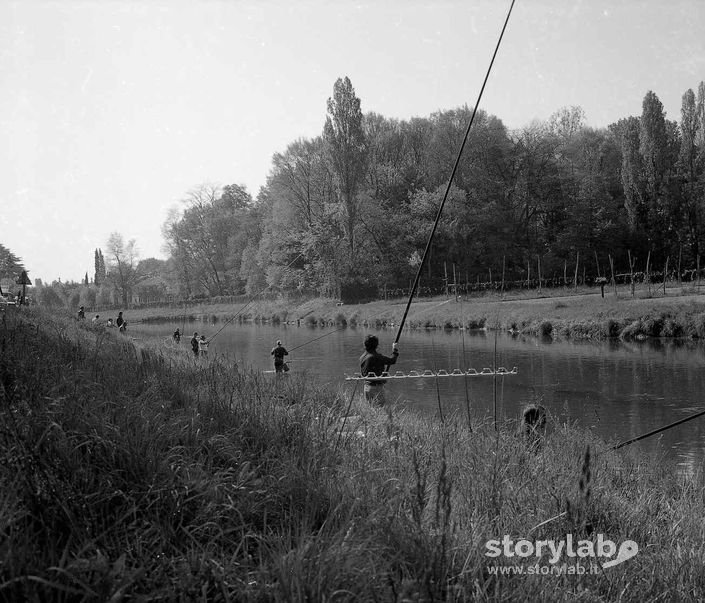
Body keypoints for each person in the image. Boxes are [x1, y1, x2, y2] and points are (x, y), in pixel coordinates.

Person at [359, 335, 399, 406]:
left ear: (365, 344)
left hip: (366, 387)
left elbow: (367, 371)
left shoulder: (362, 357)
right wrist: (394, 350)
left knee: (371, 409)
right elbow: (392, 360)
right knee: (381, 409)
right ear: (376, 345)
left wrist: (382, 376)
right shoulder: (376, 356)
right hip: (376, 388)